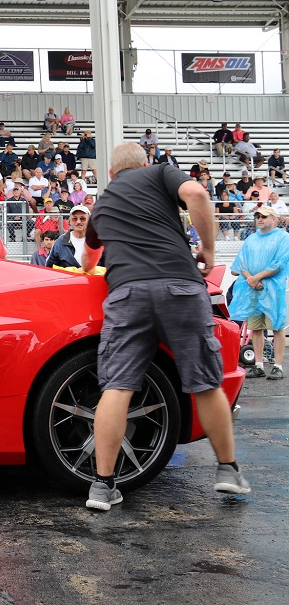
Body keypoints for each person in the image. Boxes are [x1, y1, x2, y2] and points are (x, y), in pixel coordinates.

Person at [81, 142, 249, 511]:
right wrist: (207, 248)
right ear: (144, 164)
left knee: (118, 386)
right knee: (204, 382)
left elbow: (88, 256)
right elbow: (196, 192)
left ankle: (102, 485)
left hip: (127, 295)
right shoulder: (158, 173)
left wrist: (88, 269)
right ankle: (227, 470)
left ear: (111, 173)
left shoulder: (103, 203)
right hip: (179, 286)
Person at [228, 205, 289, 380]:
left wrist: (257, 278)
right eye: (257, 216)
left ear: (274, 219)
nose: (260, 219)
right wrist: (250, 279)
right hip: (252, 289)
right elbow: (241, 264)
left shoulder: (283, 237)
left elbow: (280, 263)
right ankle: (259, 365)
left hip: (272, 289)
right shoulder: (251, 239)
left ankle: (278, 366)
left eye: (264, 216)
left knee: (276, 326)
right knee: (256, 328)